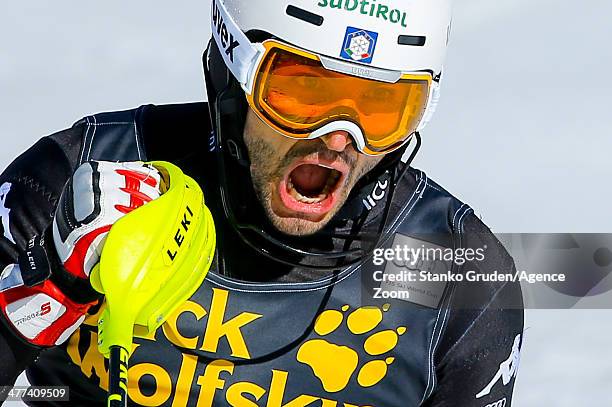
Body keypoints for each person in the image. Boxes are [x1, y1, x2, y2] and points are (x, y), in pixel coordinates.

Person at [0, 0, 524, 405]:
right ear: (234, 74)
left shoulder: (455, 271)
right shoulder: (77, 180)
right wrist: (45, 293)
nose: (341, 138)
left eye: (382, 107)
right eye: (303, 94)